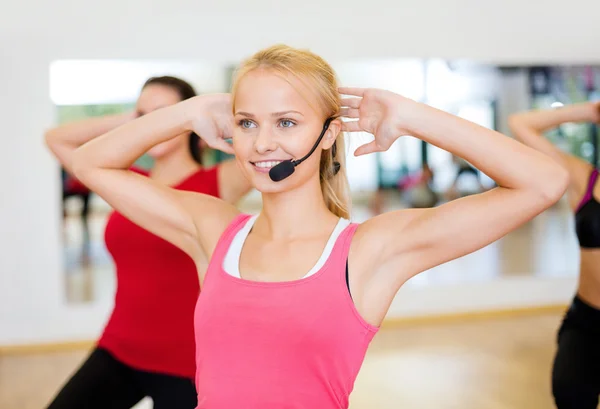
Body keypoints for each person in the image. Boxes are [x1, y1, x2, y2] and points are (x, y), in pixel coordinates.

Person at [70, 45, 568, 408]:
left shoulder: (370, 250)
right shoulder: (214, 229)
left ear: (329, 134)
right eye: (247, 123)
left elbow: (544, 183)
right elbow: (92, 164)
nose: (263, 143)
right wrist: (187, 112)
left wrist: (412, 116)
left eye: (286, 123)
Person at [44, 76, 252, 409]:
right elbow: (56, 139)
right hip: (120, 347)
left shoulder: (220, 181)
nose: (151, 120)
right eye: (144, 113)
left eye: (163, 112)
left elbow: (274, 145)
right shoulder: (124, 181)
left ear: (189, 118)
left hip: (188, 361)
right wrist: (137, 121)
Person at [509, 101, 600, 409]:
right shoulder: (584, 179)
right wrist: (588, 111)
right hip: (586, 319)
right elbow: (520, 123)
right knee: (569, 392)